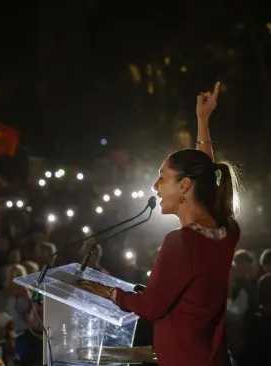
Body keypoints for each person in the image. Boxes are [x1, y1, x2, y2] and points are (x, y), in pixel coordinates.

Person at [77, 82, 240, 366]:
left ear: (184, 186)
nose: (155, 186)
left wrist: (108, 292)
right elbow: (205, 178)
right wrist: (203, 121)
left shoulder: (182, 242)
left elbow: (151, 308)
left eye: (162, 177)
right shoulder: (226, 230)